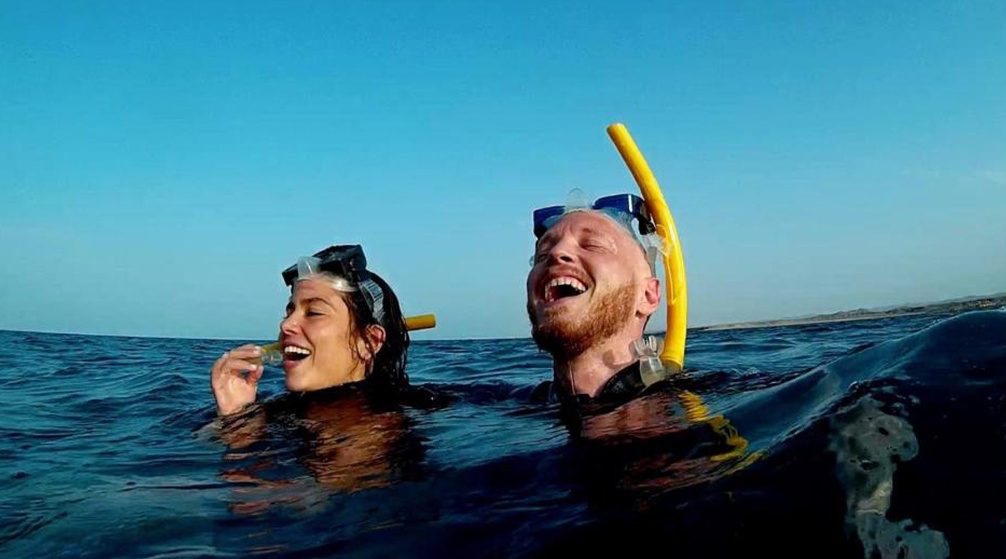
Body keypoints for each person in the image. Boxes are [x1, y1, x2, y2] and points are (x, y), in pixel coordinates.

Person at [210, 244, 415, 417]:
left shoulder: (405, 414)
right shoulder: (271, 415)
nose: (286, 325)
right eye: (289, 312)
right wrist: (235, 415)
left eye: (314, 313)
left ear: (369, 342)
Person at [526, 194, 665, 409]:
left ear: (648, 296)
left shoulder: (702, 415)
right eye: (542, 254)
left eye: (592, 245)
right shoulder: (490, 403)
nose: (556, 252)